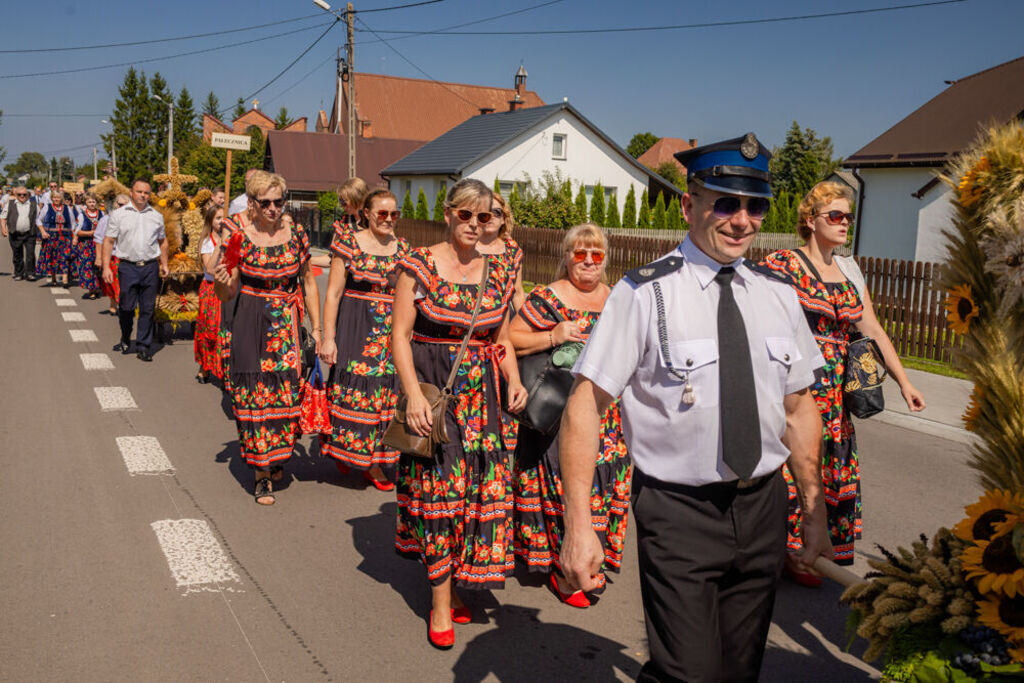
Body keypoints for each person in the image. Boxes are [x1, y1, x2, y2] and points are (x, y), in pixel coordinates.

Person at [559, 134, 833, 681]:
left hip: (762, 510)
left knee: (739, 669)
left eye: (755, 206)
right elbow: (584, 406)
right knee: (690, 672)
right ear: (689, 206)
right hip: (679, 513)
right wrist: (578, 524)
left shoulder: (779, 294)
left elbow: (800, 408)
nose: (742, 220)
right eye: (725, 203)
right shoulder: (644, 293)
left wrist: (814, 508)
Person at [760, 181, 926, 582]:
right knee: (791, 463)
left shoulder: (848, 272)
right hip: (795, 383)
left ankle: (811, 548)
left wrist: (904, 381)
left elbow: (873, 330)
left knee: (830, 466)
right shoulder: (783, 264)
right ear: (810, 220)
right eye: (835, 215)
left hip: (837, 391)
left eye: (848, 216)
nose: (844, 223)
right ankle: (779, 548)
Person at [391, 178, 528, 649]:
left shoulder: (500, 270)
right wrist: (411, 395)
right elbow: (399, 336)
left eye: (484, 216)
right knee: (439, 494)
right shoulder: (419, 264)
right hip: (435, 392)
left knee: (476, 494)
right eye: (465, 214)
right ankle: (442, 602)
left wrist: (513, 380)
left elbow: (501, 338)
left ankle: (460, 579)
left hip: (483, 401)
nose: (475, 224)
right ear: (448, 214)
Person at [509, 223, 630, 608]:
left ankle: (590, 558)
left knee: (602, 486)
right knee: (566, 487)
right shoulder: (548, 297)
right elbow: (510, 338)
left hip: (611, 416)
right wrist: (554, 335)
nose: (589, 262)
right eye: (580, 254)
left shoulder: (619, 299)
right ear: (566, 257)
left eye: (596, 255)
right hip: (563, 415)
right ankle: (563, 573)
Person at [213, 170, 321, 506]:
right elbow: (227, 291)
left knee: (285, 395)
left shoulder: (297, 233)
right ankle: (261, 473)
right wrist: (220, 279)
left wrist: (317, 329)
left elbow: (308, 281)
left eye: (279, 201)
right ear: (252, 204)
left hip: (286, 321)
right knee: (252, 395)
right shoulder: (236, 233)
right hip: (249, 316)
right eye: (266, 203)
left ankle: (276, 458)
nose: (274, 208)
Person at [319, 188, 409, 490]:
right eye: (382, 213)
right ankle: (352, 452)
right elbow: (332, 293)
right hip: (356, 327)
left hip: (391, 331)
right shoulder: (349, 244)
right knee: (355, 390)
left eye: (393, 214)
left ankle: (372, 459)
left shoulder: (404, 249)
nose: (388, 219)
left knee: (386, 393)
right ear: (367, 214)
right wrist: (328, 338)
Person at [102, 179, 169, 362]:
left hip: (149, 266)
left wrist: (164, 264)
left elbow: (162, 242)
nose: (143, 195)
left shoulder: (156, 216)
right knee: (126, 307)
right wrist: (106, 266)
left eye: (146, 192)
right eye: (139, 192)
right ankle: (125, 336)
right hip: (127, 267)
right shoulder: (119, 214)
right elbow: (108, 241)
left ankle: (143, 346)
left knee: (147, 309)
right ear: (132, 192)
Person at [477, 191, 526, 315]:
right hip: (466, 322)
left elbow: (518, 292)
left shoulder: (512, 250)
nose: (491, 217)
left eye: (497, 213)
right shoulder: (465, 246)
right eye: (485, 213)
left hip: (501, 324)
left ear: (503, 219)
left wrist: (524, 326)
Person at [194, 203, 226, 384]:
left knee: (226, 331)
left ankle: (223, 369)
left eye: (224, 218)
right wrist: (219, 247)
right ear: (211, 221)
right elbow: (210, 268)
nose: (222, 222)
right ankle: (204, 366)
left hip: (229, 288)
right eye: (218, 218)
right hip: (211, 289)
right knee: (210, 329)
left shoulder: (233, 238)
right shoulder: (207, 241)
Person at [95, 193, 129, 315]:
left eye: (125, 205)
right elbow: (99, 239)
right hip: (112, 255)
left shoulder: (132, 219)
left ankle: (121, 304)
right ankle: (114, 303)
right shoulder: (106, 219)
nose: (122, 207)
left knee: (124, 283)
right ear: (115, 204)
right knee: (112, 282)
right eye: (120, 204)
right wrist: (99, 258)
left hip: (127, 256)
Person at [36, 191, 76, 286]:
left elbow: (73, 223)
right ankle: (53, 277)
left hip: (65, 237)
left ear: (61, 199)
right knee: (53, 257)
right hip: (51, 237)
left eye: (58, 197)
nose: (56, 199)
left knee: (65, 257)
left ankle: (65, 279)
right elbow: (38, 220)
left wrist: (73, 235)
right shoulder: (47, 207)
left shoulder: (67, 208)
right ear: (52, 198)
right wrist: (43, 232)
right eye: (54, 197)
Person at [1, 186, 39, 281]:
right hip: (15, 233)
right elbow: (3, 217)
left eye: (24, 194)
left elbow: (39, 219)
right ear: (15, 195)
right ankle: (19, 273)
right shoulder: (10, 204)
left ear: (28, 195)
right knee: (17, 254)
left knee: (30, 254)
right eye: (19, 194)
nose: (22, 196)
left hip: (30, 233)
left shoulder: (34, 204)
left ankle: (30, 273)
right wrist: (3, 228)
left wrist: (41, 231)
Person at [73, 195, 103, 299]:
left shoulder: (101, 214)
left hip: (99, 244)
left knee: (98, 266)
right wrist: (90, 233)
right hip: (86, 244)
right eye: (89, 202)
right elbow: (77, 231)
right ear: (86, 203)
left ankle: (97, 287)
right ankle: (92, 289)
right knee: (88, 267)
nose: (92, 204)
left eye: (93, 202)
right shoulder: (82, 216)